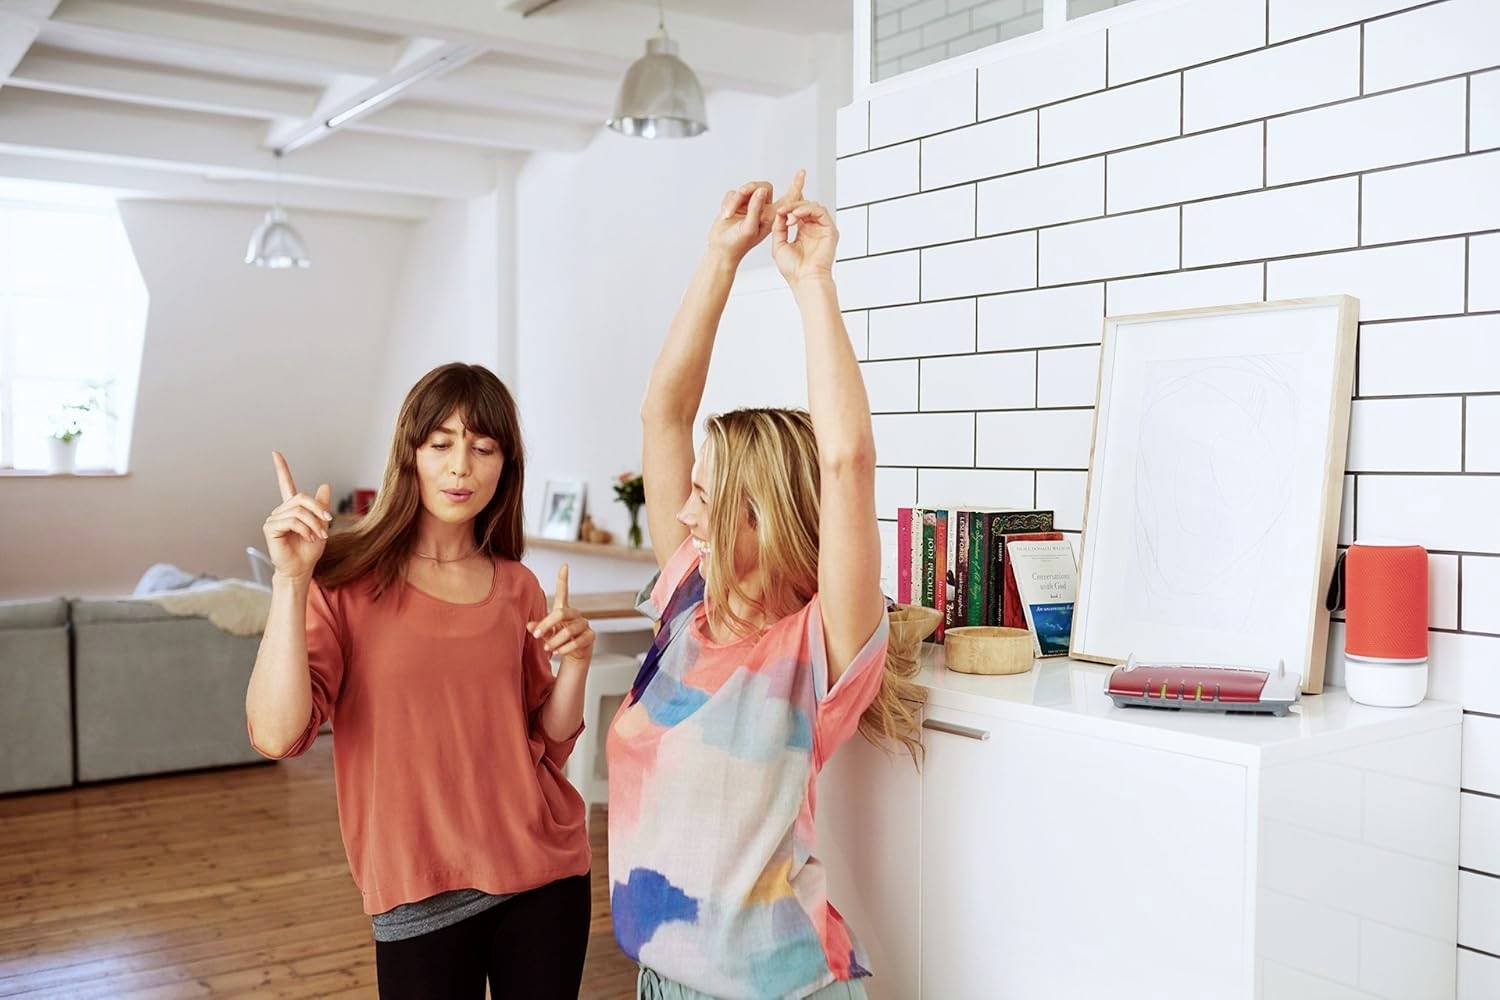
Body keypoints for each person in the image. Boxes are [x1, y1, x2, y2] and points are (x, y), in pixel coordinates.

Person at [607, 171, 923, 1000]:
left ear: (766, 518)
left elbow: (848, 463)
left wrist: (812, 282)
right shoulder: (685, 609)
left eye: (709, 495)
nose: (683, 509)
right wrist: (721, 258)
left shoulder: (815, 649)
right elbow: (663, 416)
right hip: (659, 981)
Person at [244, 363, 596, 1000]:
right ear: (409, 455)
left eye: (484, 447)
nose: (462, 465)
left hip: (543, 875)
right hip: (417, 888)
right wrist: (292, 582)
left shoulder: (518, 586)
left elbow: (548, 737)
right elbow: (277, 737)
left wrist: (576, 664)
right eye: (442, 444)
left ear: (504, 466)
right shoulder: (345, 583)